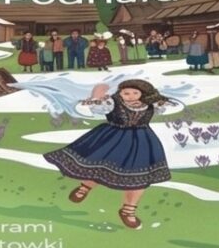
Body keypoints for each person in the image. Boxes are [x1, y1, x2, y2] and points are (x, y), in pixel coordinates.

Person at [43, 79, 180, 230]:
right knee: (99, 167)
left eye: (135, 93)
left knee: (139, 177)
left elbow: (175, 105)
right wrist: (96, 97)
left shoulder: (150, 104)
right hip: (112, 138)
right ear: (120, 93)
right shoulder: (112, 102)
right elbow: (90, 109)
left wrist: (158, 99)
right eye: (126, 93)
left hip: (142, 141)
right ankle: (85, 187)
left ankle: (128, 210)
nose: (131, 96)